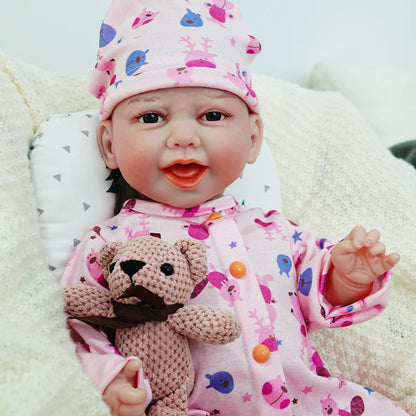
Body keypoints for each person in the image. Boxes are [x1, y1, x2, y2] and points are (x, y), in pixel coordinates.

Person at [61, 1, 407, 415]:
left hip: (312, 402)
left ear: (253, 138)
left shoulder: (274, 230)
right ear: (109, 144)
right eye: (152, 116)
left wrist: (347, 278)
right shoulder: (110, 243)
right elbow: (79, 327)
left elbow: (320, 298)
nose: (183, 136)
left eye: (212, 114)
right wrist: (114, 380)